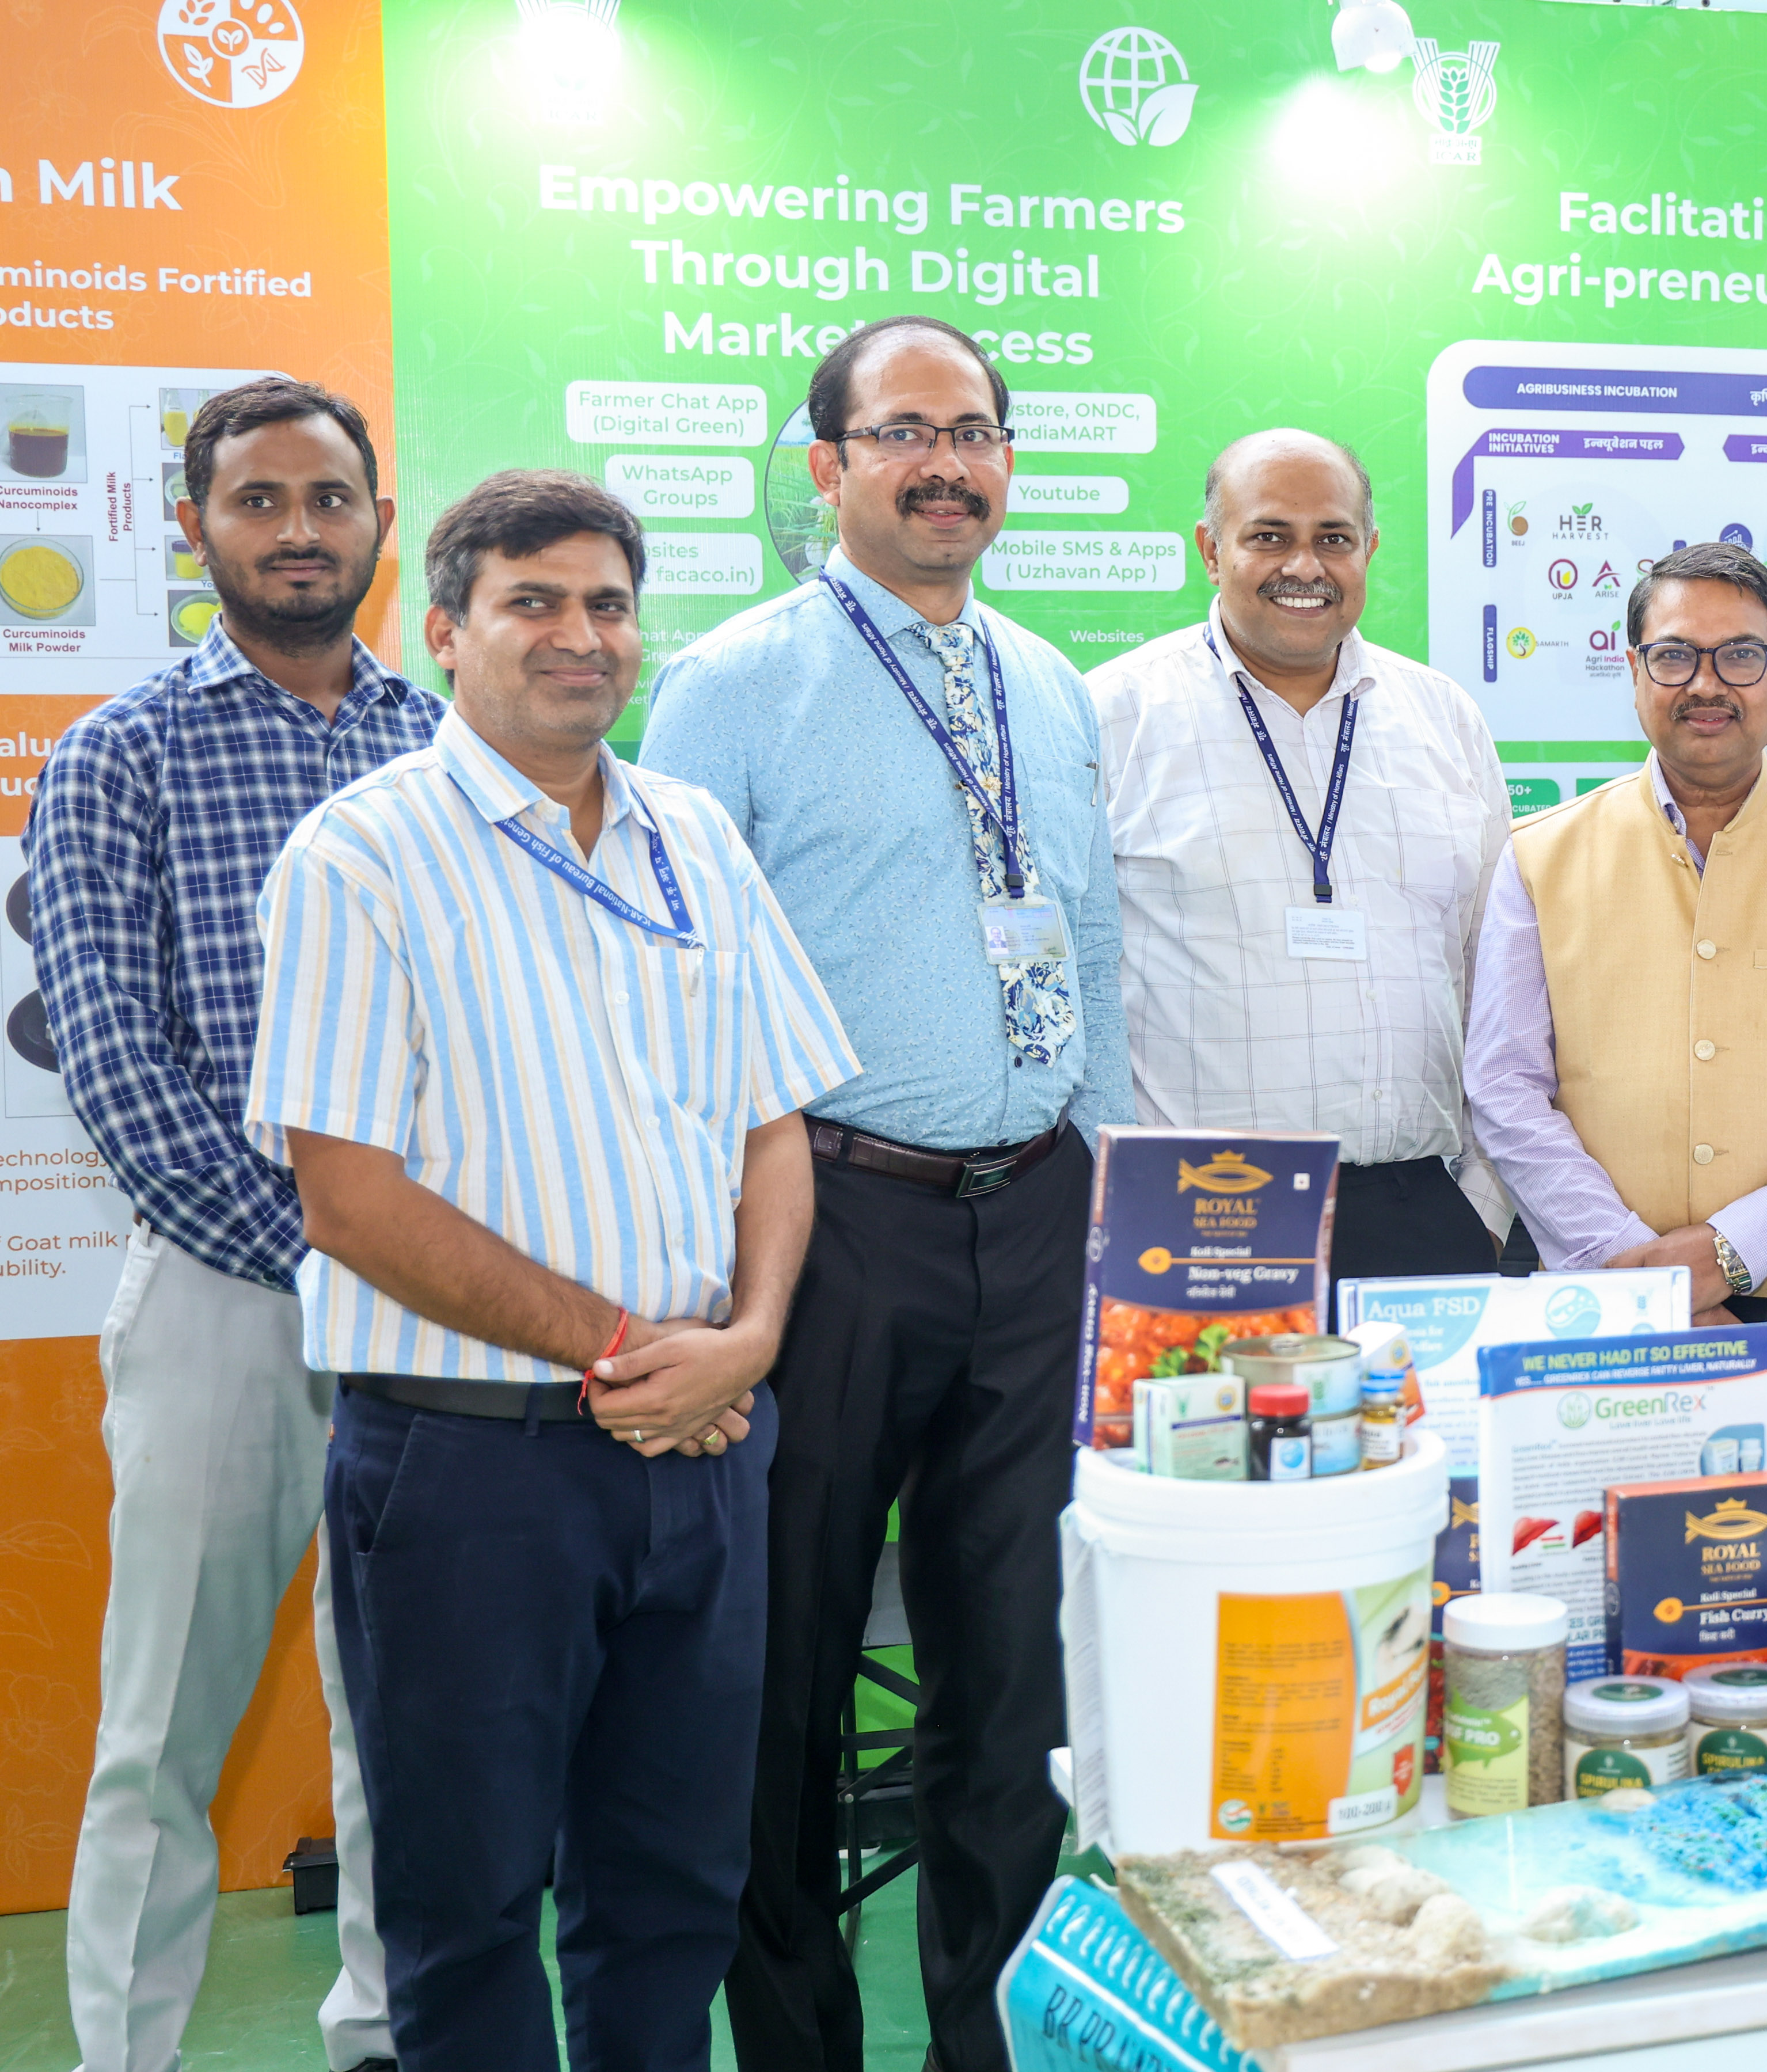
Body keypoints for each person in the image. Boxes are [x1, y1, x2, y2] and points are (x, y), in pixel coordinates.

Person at [246, 469, 856, 2067]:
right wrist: (631, 1351)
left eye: (607, 604)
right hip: (472, 1470)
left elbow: (774, 1119)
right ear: (446, 630)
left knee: (673, 1892)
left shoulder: (694, 837)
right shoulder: (361, 856)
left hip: (705, 1452)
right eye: (533, 602)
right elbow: (350, 1198)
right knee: (464, 1907)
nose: (581, 635)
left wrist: (752, 1336)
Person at [638, 314, 1126, 2072]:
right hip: (829, 1224)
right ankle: (799, 2044)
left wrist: (1104, 1186)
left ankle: (991, 2042)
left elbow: (1088, 944)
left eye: (973, 431)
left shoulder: (1048, 682)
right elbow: (676, 984)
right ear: (827, 463)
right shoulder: (730, 685)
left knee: (1012, 1682)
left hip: (1037, 1217)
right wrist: (717, 1264)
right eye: (904, 431)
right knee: (784, 1668)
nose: (945, 464)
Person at [26, 377, 424, 2072]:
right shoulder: (118, 753)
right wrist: (331, 1243)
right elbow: (114, 1061)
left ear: (379, 525)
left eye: (328, 498)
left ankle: (385, 2040)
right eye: (258, 500)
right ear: (194, 529)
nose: (298, 530)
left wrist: (428, 1262)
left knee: (405, 1726)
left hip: (437, 1304)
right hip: (224, 1292)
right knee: (159, 1734)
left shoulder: (448, 742)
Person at [1465, 539, 1767, 1466]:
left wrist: (1730, 1248)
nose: (1706, 684)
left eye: (1739, 655)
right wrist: (1632, 1271)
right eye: (1674, 655)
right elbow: (1503, 1085)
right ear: (1632, 671)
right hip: (1599, 1336)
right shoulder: (1539, 857)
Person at [1088, 428, 1512, 1282]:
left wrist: (1484, 1204)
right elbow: (1076, 983)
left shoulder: (1445, 719)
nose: (1304, 566)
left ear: (1369, 549)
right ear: (1211, 549)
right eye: (1269, 535)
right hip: (1197, 1211)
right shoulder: (1113, 716)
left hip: (1422, 1212)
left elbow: (1495, 973)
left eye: (1333, 538)